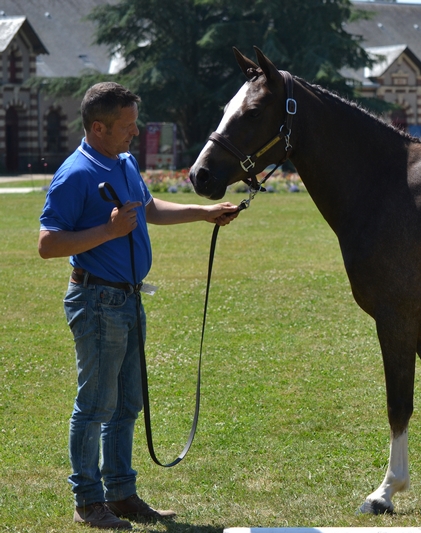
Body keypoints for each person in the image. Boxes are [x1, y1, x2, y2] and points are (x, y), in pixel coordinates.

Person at [38, 82, 239, 529]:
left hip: (128, 299)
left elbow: (149, 209)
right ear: (98, 127)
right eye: (126, 127)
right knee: (94, 406)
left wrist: (203, 213)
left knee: (128, 403)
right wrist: (107, 233)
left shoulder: (124, 161)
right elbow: (47, 244)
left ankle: (122, 494)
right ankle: (89, 502)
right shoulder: (76, 173)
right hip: (95, 301)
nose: (134, 133)